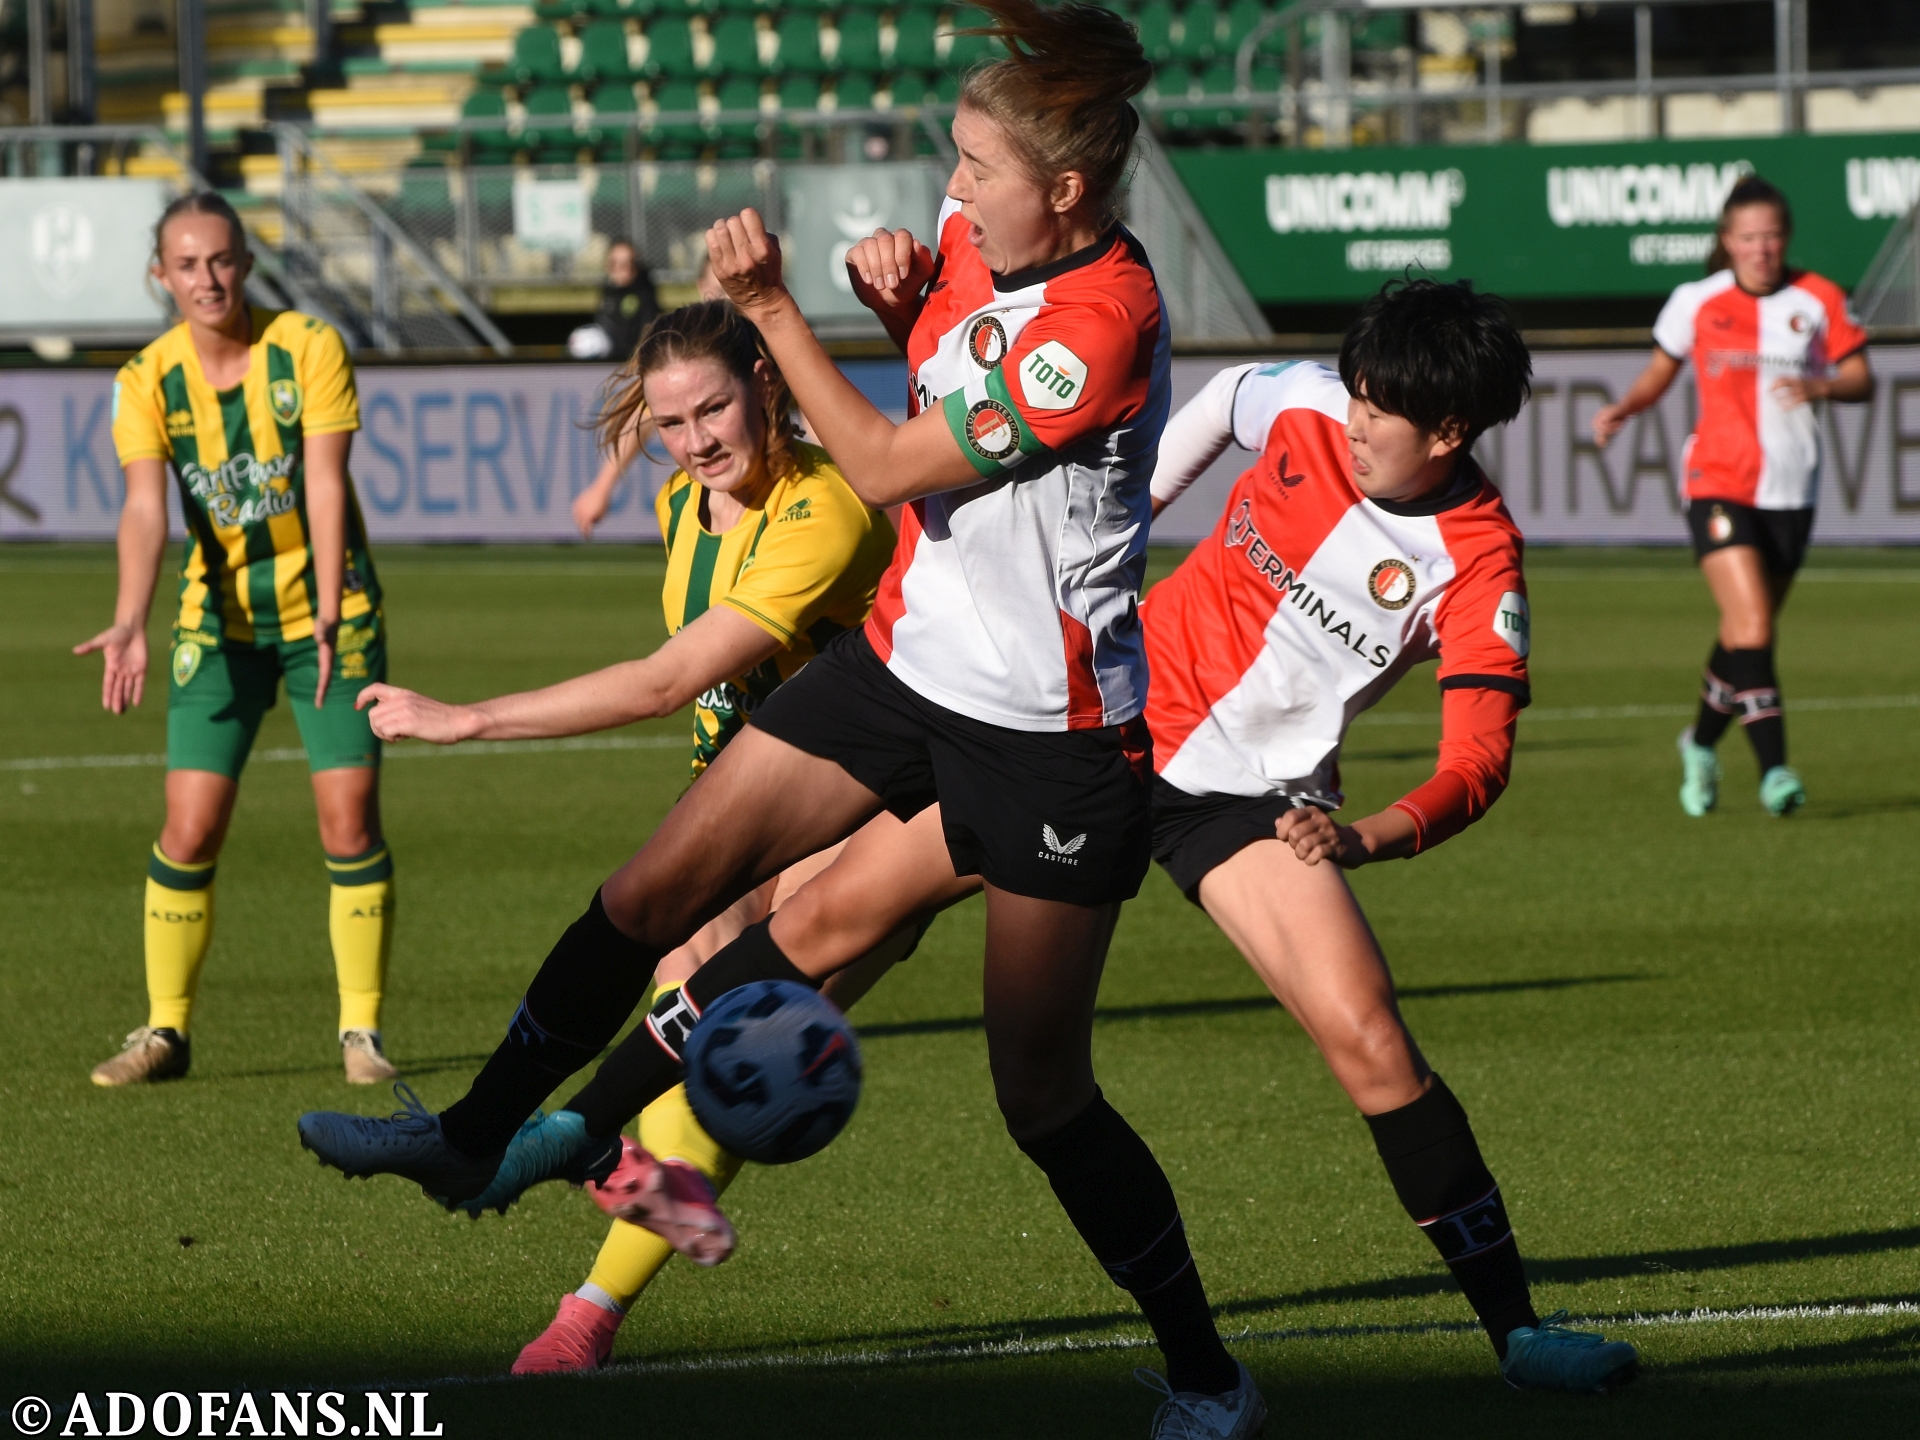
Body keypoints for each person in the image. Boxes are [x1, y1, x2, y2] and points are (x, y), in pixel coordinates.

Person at [299, 4, 1266, 1432]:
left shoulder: (1096, 323)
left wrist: (765, 307)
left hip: (1052, 737)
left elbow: (878, 464)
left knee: (1042, 1096)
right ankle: (474, 1136)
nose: (949, 194)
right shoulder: (982, 259)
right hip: (905, 672)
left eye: (975, 168)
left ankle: (1208, 1376)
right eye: (950, 160)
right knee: (661, 892)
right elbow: (938, 382)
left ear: (1062, 190)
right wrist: (897, 301)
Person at [511, 281, 1642, 1397]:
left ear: (1449, 432)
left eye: (1379, 416)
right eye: (1352, 396)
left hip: (1244, 802)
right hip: (1090, 729)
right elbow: (1219, 405)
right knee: (825, 920)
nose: (1351, 423)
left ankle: (1517, 1336)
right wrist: (1122, 533)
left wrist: (1372, 836)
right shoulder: (1305, 402)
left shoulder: (1479, 561)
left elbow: (1477, 763)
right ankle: (574, 1149)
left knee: (1372, 1046)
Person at [351, 299, 905, 1373]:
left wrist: (470, 717)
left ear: (767, 387)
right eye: (673, 422)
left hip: (869, 802)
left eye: (715, 410)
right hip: (747, 794)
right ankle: (630, 1169)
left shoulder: (823, 511)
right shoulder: (679, 506)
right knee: (683, 1012)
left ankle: (586, 1315)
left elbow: (667, 681)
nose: (698, 440)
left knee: (739, 1030)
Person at [78, 192, 400, 1087]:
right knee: (188, 829)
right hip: (216, 628)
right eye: (186, 264)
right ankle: (166, 1033)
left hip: (331, 623)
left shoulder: (308, 348)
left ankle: (361, 1035)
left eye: (221, 260)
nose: (206, 278)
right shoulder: (146, 380)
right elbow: (145, 509)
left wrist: (330, 605)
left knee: (348, 821)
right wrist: (131, 617)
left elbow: (327, 485)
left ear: (246, 264)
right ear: (161, 276)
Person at [1593, 175, 1871, 818]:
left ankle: (1700, 742)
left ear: (1786, 238)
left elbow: (1861, 378)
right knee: (1754, 627)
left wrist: (1822, 385)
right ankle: (1774, 770)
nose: (1762, 248)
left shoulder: (1819, 297)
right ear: (1727, 242)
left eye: (1772, 235)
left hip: (1792, 490)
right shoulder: (1697, 300)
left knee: (1741, 634)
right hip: (1717, 482)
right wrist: (1625, 409)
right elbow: (1661, 372)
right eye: (1749, 237)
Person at [571, 260, 729, 540]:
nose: (727, 300)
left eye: (735, 289)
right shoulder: (683, 344)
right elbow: (644, 415)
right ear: (701, 287)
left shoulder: (770, 344)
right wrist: (602, 487)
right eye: (720, 289)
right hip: (715, 505)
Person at [568, 239, 662, 362]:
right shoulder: (609, 291)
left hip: (629, 362)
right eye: (613, 263)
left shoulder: (644, 295)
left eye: (625, 264)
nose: (618, 269)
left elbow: (647, 335)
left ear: (635, 265)